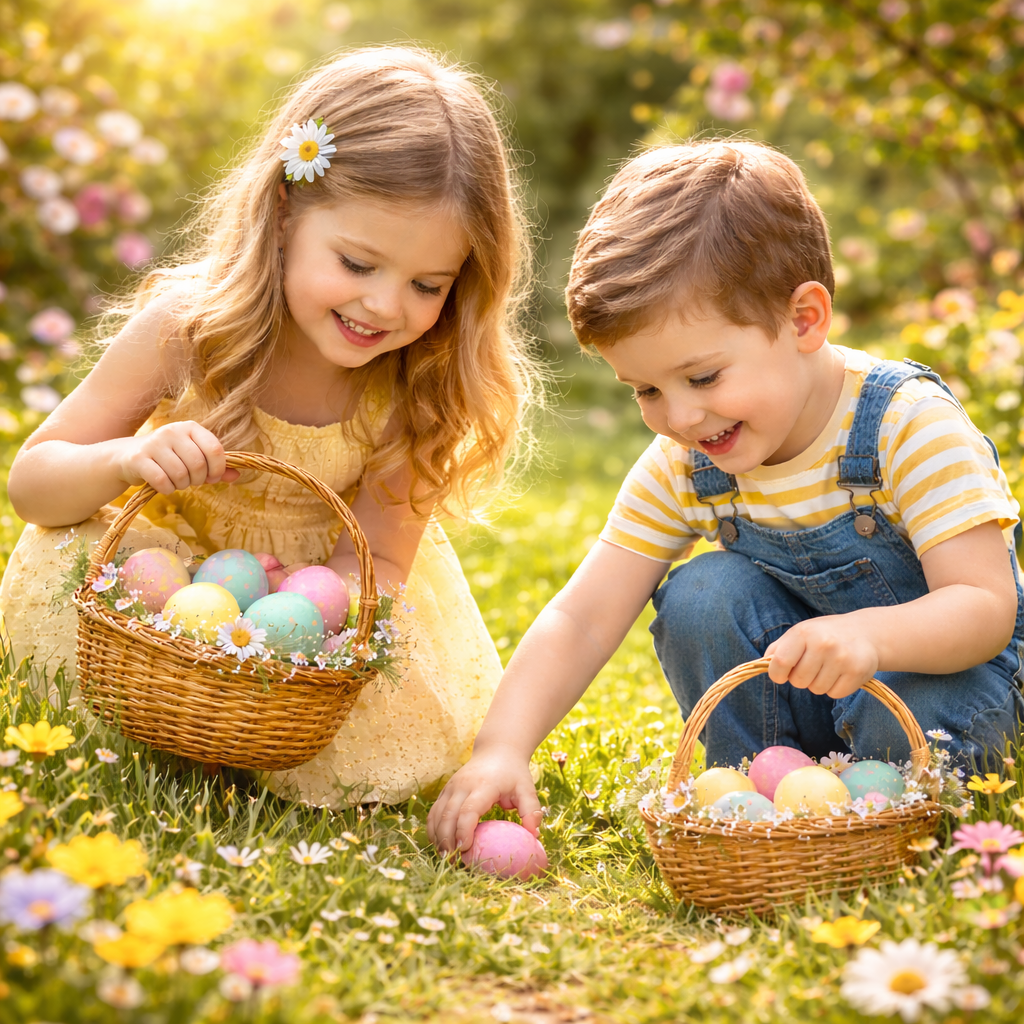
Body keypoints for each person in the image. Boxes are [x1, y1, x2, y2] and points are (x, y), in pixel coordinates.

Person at [428, 139, 1024, 854]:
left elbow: (985, 607)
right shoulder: (689, 461)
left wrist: (871, 638)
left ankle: (894, 811)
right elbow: (583, 617)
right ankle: (755, 792)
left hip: (941, 681)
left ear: (804, 320)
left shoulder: (906, 426)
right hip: (807, 706)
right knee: (703, 594)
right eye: (647, 389)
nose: (680, 416)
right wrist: (501, 746)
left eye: (703, 377)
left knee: (922, 709)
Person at [0, 46, 539, 808]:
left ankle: (258, 733)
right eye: (358, 264)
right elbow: (32, 484)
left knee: (387, 659)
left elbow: (381, 562)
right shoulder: (189, 329)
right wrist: (127, 457)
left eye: (427, 285)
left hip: (310, 607)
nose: (384, 306)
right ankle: (161, 707)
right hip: (167, 576)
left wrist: (302, 606)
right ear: (285, 212)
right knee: (73, 555)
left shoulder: (415, 384)